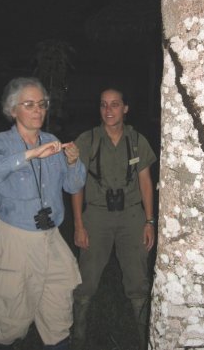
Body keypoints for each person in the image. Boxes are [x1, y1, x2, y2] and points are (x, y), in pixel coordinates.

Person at [0, 77, 86, 350]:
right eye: (29, 104)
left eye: (42, 104)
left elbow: (73, 185)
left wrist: (72, 162)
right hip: (15, 239)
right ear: (13, 110)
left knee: (59, 314)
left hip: (51, 238)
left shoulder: (53, 141)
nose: (38, 110)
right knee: (10, 319)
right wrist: (30, 154)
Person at [71, 86, 157, 350]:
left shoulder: (136, 140)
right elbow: (76, 184)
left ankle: (144, 337)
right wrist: (79, 225)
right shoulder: (87, 140)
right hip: (96, 214)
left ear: (126, 108)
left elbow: (145, 181)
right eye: (104, 105)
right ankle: (78, 334)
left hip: (132, 214)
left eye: (115, 104)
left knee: (138, 280)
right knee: (86, 279)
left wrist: (149, 221)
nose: (108, 110)